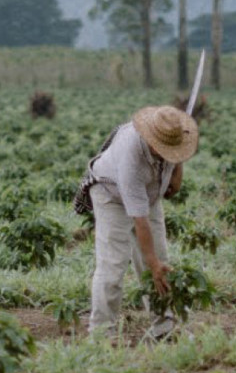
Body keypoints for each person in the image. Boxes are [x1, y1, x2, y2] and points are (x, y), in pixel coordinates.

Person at [85, 104, 199, 339]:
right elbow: (141, 221)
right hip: (111, 194)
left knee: (160, 260)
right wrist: (152, 263)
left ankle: (164, 327)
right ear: (152, 143)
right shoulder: (132, 159)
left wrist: (177, 172)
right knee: (113, 264)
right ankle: (101, 333)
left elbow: (177, 151)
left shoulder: (171, 136)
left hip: (150, 193)